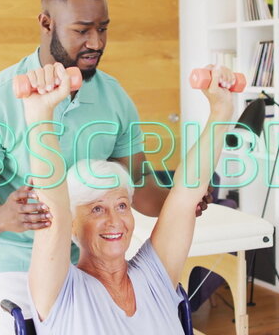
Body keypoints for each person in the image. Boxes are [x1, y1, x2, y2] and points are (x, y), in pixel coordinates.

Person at [0, 0, 210, 333]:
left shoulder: (114, 98)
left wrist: (182, 201)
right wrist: (4, 216)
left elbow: (139, 185)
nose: (96, 42)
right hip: (19, 262)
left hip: (94, 257)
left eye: (103, 28)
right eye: (82, 30)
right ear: (46, 23)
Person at [22, 63, 235, 334]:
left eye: (121, 205)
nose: (115, 221)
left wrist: (221, 111)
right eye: (97, 209)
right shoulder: (62, 292)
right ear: (72, 225)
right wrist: (40, 116)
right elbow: (54, 212)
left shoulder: (154, 275)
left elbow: (185, 195)